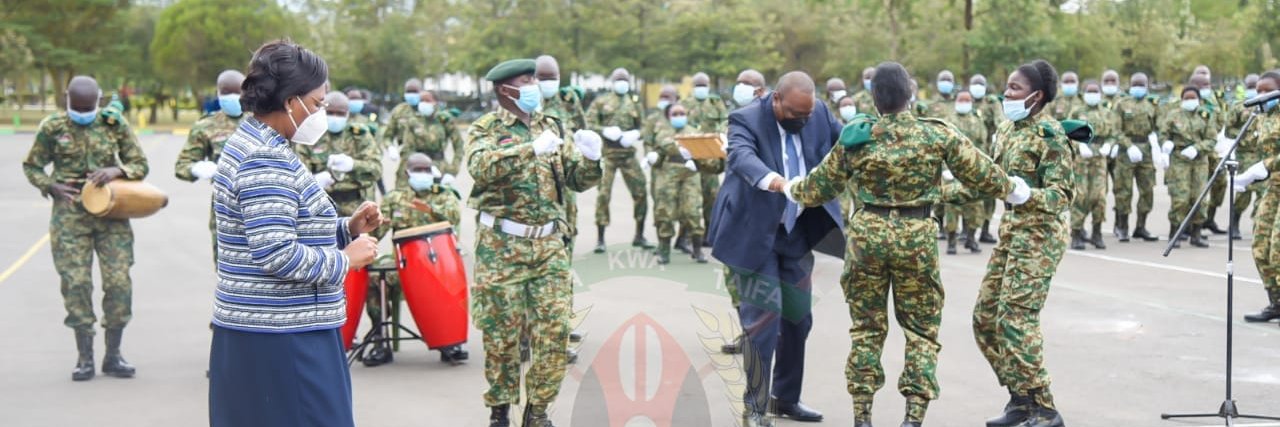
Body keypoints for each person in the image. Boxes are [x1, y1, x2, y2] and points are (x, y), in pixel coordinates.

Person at [786, 62, 1021, 427]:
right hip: (916, 237)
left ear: (874, 97)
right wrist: (1017, 190)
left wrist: (785, 186)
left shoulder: (857, 137)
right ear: (910, 94)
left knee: (866, 328)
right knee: (922, 331)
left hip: (868, 238)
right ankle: (913, 419)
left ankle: (862, 417)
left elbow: (816, 189)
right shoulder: (936, 134)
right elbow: (985, 175)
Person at [207, 40, 382, 427]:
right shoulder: (264, 158)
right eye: (317, 104)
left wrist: (345, 228)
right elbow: (276, 253)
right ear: (291, 101)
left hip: (276, 329)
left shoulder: (261, 141)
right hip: (283, 337)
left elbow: (286, 227)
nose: (321, 113)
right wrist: (345, 259)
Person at [466, 58, 603, 427]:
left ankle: (538, 411)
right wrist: (529, 150)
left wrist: (591, 159)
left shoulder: (551, 125)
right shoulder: (486, 128)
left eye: (534, 81)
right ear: (504, 90)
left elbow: (573, 178)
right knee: (502, 335)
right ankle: (499, 411)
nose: (534, 87)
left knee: (554, 332)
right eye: (526, 82)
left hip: (548, 246)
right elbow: (480, 168)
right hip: (501, 247)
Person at [709, 71, 842, 427]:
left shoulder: (819, 114)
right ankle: (754, 407)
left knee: (799, 320)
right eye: (795, 114)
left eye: (807, 114)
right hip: (753, 234)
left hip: (795, 233)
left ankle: (786, 399)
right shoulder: (746, 118)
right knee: (763, 322)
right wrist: (779, 183)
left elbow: (844, 144)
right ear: (776, 100)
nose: (802, 120)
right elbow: (741, 157)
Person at [23, 75, 148, 382]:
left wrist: (117, 169)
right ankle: (85, 358)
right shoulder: (52, 127)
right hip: (70, 217)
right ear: (67, 100)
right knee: (76, 284)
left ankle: (113, 355)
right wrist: (50, 186)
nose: (83, 112)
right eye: (77, 108)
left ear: (98, 101)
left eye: (88, 107)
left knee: (119, 284)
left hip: (111, 214)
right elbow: (32, 165)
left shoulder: (113, 124)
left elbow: (140, 164)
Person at [973, 59, 1073, 427]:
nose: (1006, 93)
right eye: (1007, 85)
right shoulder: (1007, 129)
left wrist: (1027, 194)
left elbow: (1062, 196)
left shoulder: (1051, 135)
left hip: (1041, 234)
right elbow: (990, 178)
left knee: (1016, 317)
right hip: (1013, 231)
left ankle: (1044, 409)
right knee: (985, 318)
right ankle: (1021, 397)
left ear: (1037, 96)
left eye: (1014, 88)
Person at [368, 153, 469, 363]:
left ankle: (448, 341)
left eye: (426, 170)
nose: (422, 174)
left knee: (449, 280)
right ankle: (380, 341)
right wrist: (370, 227)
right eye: (417, 170)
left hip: (438, 266)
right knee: (374, 279)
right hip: (403, 265)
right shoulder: (395, 198)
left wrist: (431, 211)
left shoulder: (443, 195)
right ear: (407, 173)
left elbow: (454, 218)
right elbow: (377, 233)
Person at [175, 69, 247, 261]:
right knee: (226, 268)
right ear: (218, 93)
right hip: (224, 207)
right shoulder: (206, 126)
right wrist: (197, 168)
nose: (232, 97)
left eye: (237, 92)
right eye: (226, 92)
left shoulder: (263, 121)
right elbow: (182, 165)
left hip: (263, 203)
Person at [1230, 70, 1280, 323]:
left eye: (1267, 90)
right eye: (1258, 91)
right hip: (1274, 185)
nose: (1262, 95)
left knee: (1278, 249)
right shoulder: (1262, 117)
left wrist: (1267, 165)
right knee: (1260, 245)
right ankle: (1276, 302)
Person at [586, 67, 651, 253]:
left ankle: (639, 234)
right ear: (613, 82)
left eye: (625, 79)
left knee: (640, 191)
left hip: (628, 154)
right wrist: (604, 130)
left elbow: (645, 126)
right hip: (608, 153)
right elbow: (589, 123)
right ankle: (600, 238)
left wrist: (637, 133)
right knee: (603, 194)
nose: (622, 82)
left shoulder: (634, 103)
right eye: (618, 79)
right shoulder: (601, 101)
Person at [295, 91, 382, 216]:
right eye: (330, 113)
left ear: (347, 115)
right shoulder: (309, 137)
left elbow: (377, 169)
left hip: (354, 208)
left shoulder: (359, 136)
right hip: (319, 206)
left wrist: (353, 164)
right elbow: (297, 174)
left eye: (340, 114)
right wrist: (314, 180)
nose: (335, 117)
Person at [652, 103, 711, 264]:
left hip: (690, 173)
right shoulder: (662, 133)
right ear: (669, 116)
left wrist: (696, 160)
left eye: (681, 113)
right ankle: (664, 250)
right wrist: (653, 158)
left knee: (692, 210)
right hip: (669, 172)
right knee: (665, 210)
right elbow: (658, 154)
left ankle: (697, 249)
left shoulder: (694, 133)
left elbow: (704, 155)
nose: (679, 116)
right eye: (675, 114)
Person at [1159, 86, 1216, 249]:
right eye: (1186, 98)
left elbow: (1212, 140)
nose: (1190, 101)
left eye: (1193, 98)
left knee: (1199, 198)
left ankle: (1196, 234)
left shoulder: (1206, 115)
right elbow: (1163, 134)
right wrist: (1166, 144)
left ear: (1198, 99)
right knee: (1180, 198)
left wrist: (1197, 148)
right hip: (1179, 159)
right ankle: (1175, 233)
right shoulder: (1173, 115)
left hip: (1199, 161)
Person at [1065, 81, 1115, 250]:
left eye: (1095, 91)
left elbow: (1113, 134)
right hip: (1081, 159)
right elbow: (1067, 133)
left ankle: (1097, 232)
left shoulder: (1107, 112)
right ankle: (1077, 233)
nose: (1093, 94)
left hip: (1100, 158)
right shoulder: (1077, 111)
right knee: (1081, 196)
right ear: (1084, 93)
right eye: (1089, 91)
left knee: (1099, 197)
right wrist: (1080, 145)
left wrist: (1109, 144)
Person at [1112, 72, 1161, 242]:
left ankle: (1141, 226)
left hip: (1146, 151)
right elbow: (1116, 130)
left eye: (1141, 84)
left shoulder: (1152, 105)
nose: (1138, 87)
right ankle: (1122, 227)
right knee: (1123, 191)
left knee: (1147, 190)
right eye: (1135, 84)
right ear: (1130, 85)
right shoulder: (1122, 104)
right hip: (1127, 152)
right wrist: (1128, 145)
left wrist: (1157, 144)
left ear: (1147, 86)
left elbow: (1159, 126)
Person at [942, 89, 992, 255]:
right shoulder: (948, 121)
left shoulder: (977, 121)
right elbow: (941, 147)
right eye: (961, 100)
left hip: (972, 170)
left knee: (975, 206)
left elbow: (982, 144)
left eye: (967, 100)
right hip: (953, 169)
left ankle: (971, 238)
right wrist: (944, 169)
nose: (964, 103)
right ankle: (951, 241)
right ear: (956, 101)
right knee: (952, 206)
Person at [685, 72, 730, 234]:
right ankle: (688, 235)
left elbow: (725, 120)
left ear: (709, 86)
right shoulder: (685, 104)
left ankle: (709, 233)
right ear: (693, 87)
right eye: (698, 85)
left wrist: (719, 132)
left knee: (712, 196)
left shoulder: (715, 103)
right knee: (691, 197)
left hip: (711, 158)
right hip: (691, 156)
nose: (701, 88)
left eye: (704, 85)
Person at [1189, 72, 1231, 235]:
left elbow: (1222, 121)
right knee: (1197, 190)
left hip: (1216, 149)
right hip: (1198, 152)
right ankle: (1190, 224)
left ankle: (1209, 218)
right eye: (1201, 86)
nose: (1205, 89)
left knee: (1221, 183)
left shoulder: (1215, 101)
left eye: (1207, 85)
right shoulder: (1189, 101)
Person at [1228, 73, 1263, 240]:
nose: (1252, 90)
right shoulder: (1238, 106)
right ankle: (1234, 223)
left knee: (1264, 193)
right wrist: (1245, 135)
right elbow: (1229, 130)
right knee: (1244, 193)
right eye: (1249, 87)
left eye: (1254, 87)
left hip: (1263, 155)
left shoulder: (1267, 106)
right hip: (1245, 155)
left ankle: (1259, 226)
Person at [970, 73, 1003, 243]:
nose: (977, 88)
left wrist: (999, 136)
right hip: (968, 152)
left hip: (987, 152)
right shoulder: (964, 101)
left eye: (980, 84)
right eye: (974, 84)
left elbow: (999, 121)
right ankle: (967, 230)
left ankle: (985, 229)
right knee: (967, 190)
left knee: (989, 191)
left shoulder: (991, 103)